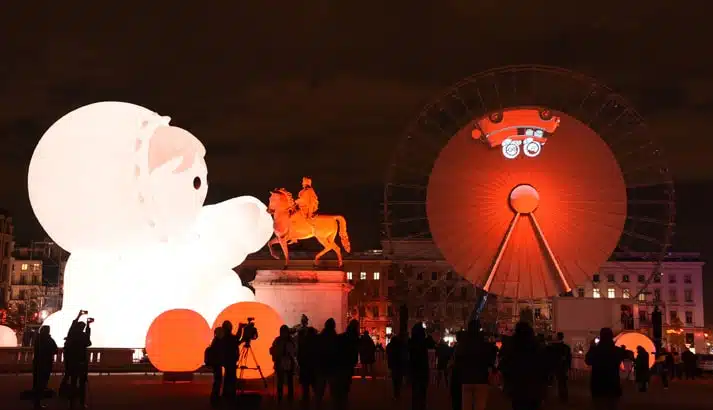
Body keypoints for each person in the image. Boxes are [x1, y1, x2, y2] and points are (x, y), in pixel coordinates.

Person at [499, 321, 547, 410]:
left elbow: (505, 365)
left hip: (517, 387)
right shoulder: (537, 347)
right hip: (534, 387)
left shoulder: (512, 347)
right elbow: (544, 367)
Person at [455, 319, 496, 410]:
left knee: (466, 406)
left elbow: (458, 360)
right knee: (480, 406)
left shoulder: (463, 344)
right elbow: (490, 359)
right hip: (481, 378)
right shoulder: (484, 343)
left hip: (466, 378)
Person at [585, 328, 626, 410]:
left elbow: (588, 361)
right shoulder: (616, 350)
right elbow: (625, 355)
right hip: (613, 384)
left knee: (598, 405)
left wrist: (592, 348)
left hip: (598, 384)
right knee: (612, 405)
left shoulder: (595, 350)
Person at [63, 311, 92, 410]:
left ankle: (72, 403)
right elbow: (88, 342)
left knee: (73, 382)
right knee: (82, 384)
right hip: (81, 363)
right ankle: (82, 402)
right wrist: (88, 325)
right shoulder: (83, 336)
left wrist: (79, 315)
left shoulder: (72, 334)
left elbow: (73, 325)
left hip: (73, 363)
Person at [333, 319, 360, 409]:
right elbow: (354, 352)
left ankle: (339, 402)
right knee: (345, 384)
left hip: (339, 363)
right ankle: (343, 402)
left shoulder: (342, 337)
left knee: (340, 384)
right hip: (347, 364)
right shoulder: (355, 338)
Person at [314, 318, 339, 408]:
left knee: (320, 389)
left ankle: (318, 404)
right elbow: (338, 352)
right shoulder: (335, 338)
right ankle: (335, 405)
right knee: (333, 389)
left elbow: (316, 351)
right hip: (332, 366)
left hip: (321, 366)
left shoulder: (320, 338)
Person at [32, 325, 57, 410]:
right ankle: (38, 402)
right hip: (46, 363)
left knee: (37, 381)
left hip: (37, 362)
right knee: (42, 382)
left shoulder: (38, 339)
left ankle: (36, 401)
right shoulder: (48, 340)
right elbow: (55, 349)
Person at [270, 325, 297, 403]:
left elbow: (294, 352)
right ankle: (281, 397)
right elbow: (273, 350)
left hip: (287, 362)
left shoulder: (281, 340)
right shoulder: (279, 340)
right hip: (281, 362)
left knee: (288, 381)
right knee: (281, 381)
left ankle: (288, 398)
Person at [409, 323, 430, 410]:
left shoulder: (411, 342)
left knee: (416, 392)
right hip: (422, 370)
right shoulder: (423, 342)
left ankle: (416, 406)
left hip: (415, 370)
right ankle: (421, 406)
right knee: (422, 392)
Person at [547, 332, 572, 403]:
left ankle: (550, 398)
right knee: (562, 383)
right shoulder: (566, 347)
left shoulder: (552, 347)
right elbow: (569, 358)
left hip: (555, 366)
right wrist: (568, 366)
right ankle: (563, 397)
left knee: (550, 382)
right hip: (562, 367)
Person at [297, 327, 319, 407]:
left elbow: (299, 355)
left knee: (305, 387)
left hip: (305, 367)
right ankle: (317, 402)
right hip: (313, 368)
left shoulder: (303, 342)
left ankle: (306, 402)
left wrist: (300, 364)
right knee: (315, 386)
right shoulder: (316, 342)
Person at [220, 320, 241, 402]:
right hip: (230, 360)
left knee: (228, 377)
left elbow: (236, 340)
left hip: (227, 360)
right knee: (231, 377)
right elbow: (237, 339)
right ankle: (230, 394)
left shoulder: (224, 337)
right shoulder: (228, 338)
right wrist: (240, 328)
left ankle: (226, 394)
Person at [205, 327, 225, 408]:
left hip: (215, 364)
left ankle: (215, 397)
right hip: (217, 363)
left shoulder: (215, 341)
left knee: (217, 380)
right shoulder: (219, 342)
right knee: (218, 380)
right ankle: (215, 397)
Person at [386, 333, 408, 399]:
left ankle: (395, 393)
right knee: (399, 379)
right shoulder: (401, 345)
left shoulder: (390, 345)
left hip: (393, 365)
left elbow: (388, 353)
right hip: (400, 364)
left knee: (394, 379)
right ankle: (398, 392)